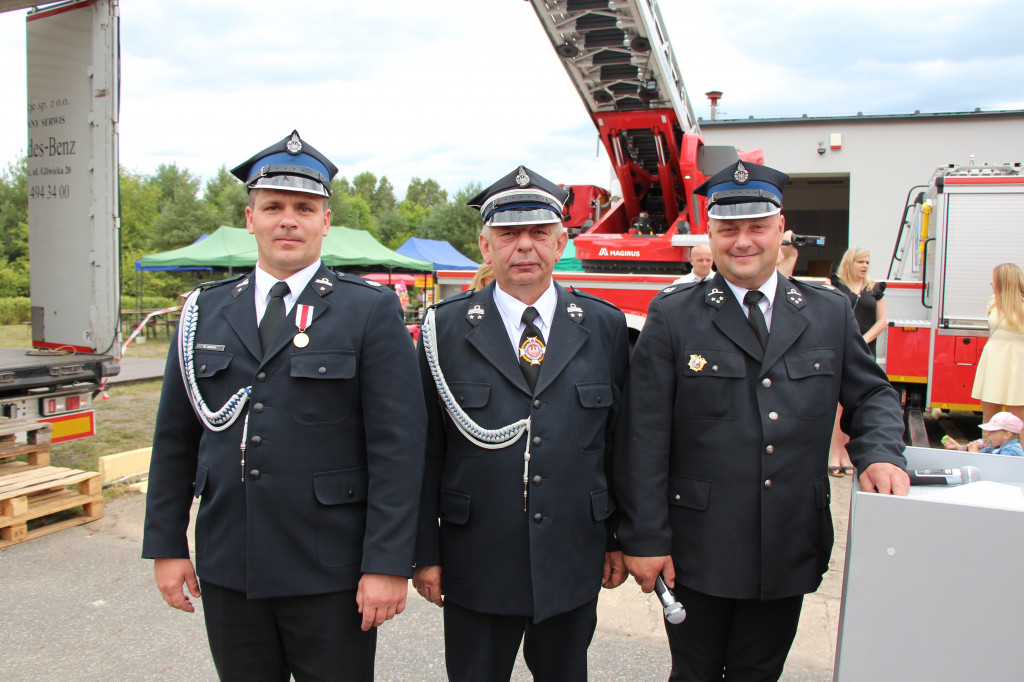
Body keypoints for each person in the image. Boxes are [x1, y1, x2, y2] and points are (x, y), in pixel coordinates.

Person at [141, 131, 426, 681]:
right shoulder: (204, 311)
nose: (287, 220)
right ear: (250, 219)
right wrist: (167, 546)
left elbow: (398, 448)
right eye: (273, 207)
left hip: (331, 572)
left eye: (304, 208)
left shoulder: (367, 312)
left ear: (325, 221)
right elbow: (175, 439)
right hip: (231, 563)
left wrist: (388, 563)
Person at [614, 160, 909, 681]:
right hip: (697, 547)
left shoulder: (827, 312)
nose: (742, 241)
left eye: (757, 227)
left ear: (780, 230)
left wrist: (881, 453)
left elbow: (874, 396)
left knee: (760, 673)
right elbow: (643, 434)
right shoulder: (674, 315)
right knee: (695, 673)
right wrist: (645, 537)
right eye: (728, 229)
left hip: (789, 538)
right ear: (712, 233)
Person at [413, 165, 630, 681]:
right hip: (475, 559)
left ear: (561, 243)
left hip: (572, 554)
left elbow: (619, 443)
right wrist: (424, 551)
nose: (524, 247)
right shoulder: (442, 330)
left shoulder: (604, 325)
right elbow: (424, 450)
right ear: (486, 248)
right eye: (509, 235)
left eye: (539, 234)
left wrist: (619, 536)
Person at [826, 247, 888, 477]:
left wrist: (862, 340)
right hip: (839, 349)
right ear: (850, 262)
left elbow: (882, 321)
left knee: (856, 404)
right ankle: (835, 455)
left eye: (868, 262)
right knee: (838, 406)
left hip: (863, 351)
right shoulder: (835, 284)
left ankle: (850, 455)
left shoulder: (876, 289)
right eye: (860, 261)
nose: (865, 266)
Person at [971, 263, 1024, 423]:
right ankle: (986, 448)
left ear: (1004, 281)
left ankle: (1018, 448)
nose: (991, 283)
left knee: (1017, 420)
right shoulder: (993, 303)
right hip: (994, 359)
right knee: (989, 417)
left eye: (994, 280)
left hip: (1018, 362)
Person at [942, 411, 1023, 457]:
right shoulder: (995, 446)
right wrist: (959, 448)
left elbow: (995, 470)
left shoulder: (1011, 451)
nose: (988, 434)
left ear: (1007, 435)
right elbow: (983, 455)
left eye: (992, 431)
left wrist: (975, 455)